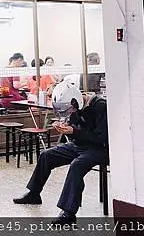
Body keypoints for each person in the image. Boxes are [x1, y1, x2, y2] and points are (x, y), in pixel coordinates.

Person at [13, 76, 108, 225]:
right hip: (80, 145)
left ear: (76, 102)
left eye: (69, 110)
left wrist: (74, 131)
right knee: (46, 155)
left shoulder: (100, 106)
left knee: (76, 166)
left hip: (99, 149)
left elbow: (102, 138)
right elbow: (75, 128)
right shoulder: (74, 107)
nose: (69, 113)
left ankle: (69, 213)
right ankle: (34, 193)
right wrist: (65, 128)